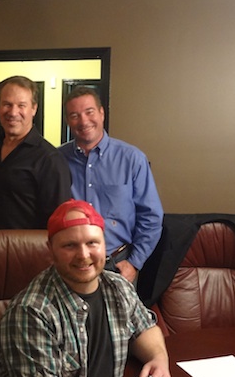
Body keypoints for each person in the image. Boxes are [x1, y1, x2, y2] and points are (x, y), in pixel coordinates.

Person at [0, 199, 181, 377]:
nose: (83, 255)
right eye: (70, 245)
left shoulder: (118, 286)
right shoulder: (31, 312)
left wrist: (158, 358)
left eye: (92, 243)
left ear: (104, 244)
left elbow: (144, 329)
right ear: (50, 250)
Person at [59, 86, 163, 282]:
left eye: (89, 112)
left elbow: (151, 217)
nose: (83, 121)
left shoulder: (132, 159)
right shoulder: (56, 160)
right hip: (71, 265)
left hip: (117, 264)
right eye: (75, 115)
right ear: (68, 121)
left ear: (101, 113)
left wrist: (134, 263)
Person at [0, 75, 72, 230]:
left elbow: (58, 223)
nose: (13, 112)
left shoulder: (49, 159)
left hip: (28, 252)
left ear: (34, 109)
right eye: (7, 104)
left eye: (21, 105)